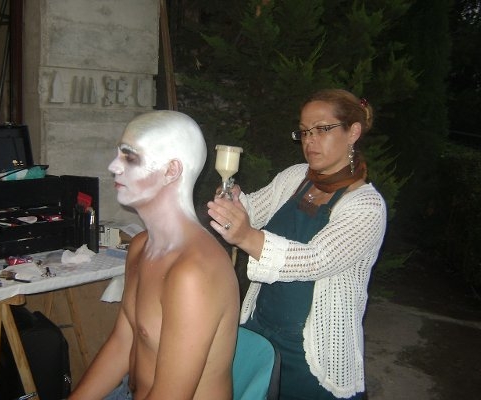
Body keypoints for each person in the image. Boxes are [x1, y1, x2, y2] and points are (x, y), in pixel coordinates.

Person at [207, 89, 387, 400]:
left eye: (322, 129)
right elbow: (254, 210)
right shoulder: (296, 177)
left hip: (313, 352)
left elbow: (316, 259)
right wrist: (234, 202)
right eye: (304, 131)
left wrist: (246, 236)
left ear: (353, 132)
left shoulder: (366, 206)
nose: (310, 140)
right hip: (261, 326)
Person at [69, 110, 240, 400]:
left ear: (171, 171)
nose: (113, 166)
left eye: (130, 157)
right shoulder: (140, 246)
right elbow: (123, 342)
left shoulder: (193, 273)